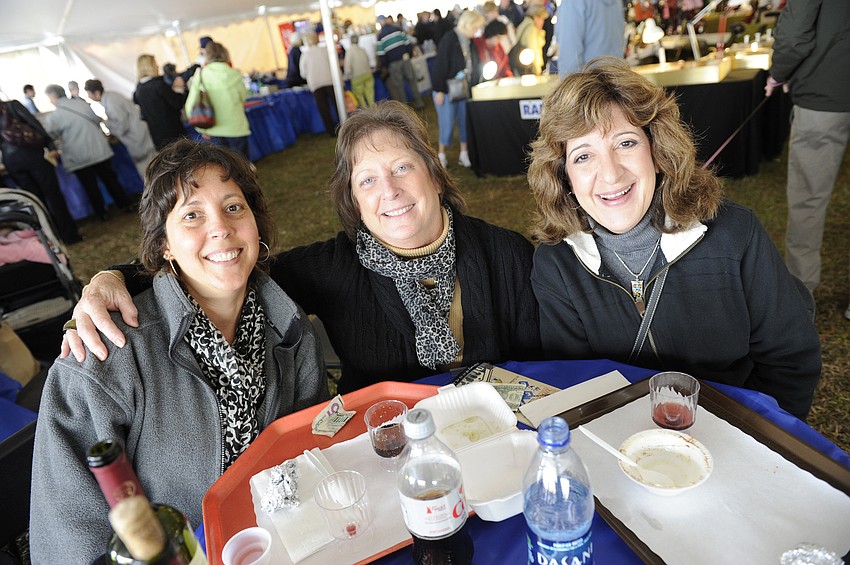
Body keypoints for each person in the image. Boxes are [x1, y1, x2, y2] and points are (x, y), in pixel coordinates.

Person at [61, 101, 541, 395]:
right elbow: (223, 265)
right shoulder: (333, 267)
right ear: (353, 199)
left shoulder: (506, 254)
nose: (389, 191)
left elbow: (541, 368)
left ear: (434, 175)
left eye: (402, 168)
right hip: (392, 452)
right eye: (367, 180)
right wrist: (111, 277)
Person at [30, 140, 327, 564]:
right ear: (164, 245)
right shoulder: (105, 354)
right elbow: (68, 536)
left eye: (234, 207)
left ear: (256, 225)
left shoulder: (288, 325)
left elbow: (312, 446)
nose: (221, 228)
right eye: (192, 215)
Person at [527, 58, 821, 420]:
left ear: (657, 152)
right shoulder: (556, 265)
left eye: (625, 143)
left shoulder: (735, 235)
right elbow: (578, 385)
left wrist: (753, 434)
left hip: (735, 428)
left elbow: (789, 362)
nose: (610, 173)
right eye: (583, 156)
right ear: (564, 177)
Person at [765, 0, 850, 319]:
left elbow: (794, 34)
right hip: (825, 91)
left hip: (823, 95)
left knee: (808, 200)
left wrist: (778, 73)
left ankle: (801, 300)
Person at [44, 83, 132, 221]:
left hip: (78, 157)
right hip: (99, 150)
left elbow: (50, 134)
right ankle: (125, 204)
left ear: (53, 97)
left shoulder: (54, 116)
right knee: (110, 180)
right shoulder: (83, 104)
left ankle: (102, 213)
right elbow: (97, 120)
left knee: (91, 187)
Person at [0, 99, 82, 243]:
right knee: (54, 196)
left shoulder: (11, 106)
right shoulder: (12, 105)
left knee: (35, 202)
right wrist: (50, 145)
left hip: (12, 163)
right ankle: (70, 236)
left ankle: (49, 238)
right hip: (33, 156)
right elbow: (34, 124)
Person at [432, 9, 486, 169]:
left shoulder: (470, 41)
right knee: (446, 124)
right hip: (447, 90)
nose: (477, 31)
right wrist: (440, 90)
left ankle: (464, 153)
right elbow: (441, 65)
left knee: (464, 122)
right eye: (476, 27)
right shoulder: (449, 39)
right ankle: (441, 154)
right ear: (468, 25)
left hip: (464, 89)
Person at [185, 41, 251, 158]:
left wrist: (201, 128)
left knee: (221, 165)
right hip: (236, 127)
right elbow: (243, 97)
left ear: (207, 56)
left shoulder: (201, 75)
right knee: (241, 163)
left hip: (212, 128)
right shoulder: (235, 74)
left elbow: (190, 105)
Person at [84, 79, 156, 179]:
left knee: (150, 173)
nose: (89, 97)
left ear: (96, 93)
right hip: (140, 137)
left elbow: (122, 126)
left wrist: (106, 123)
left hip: (138, 140)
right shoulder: (111, 97)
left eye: (89, 94)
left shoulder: (111, 102)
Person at [555, 0, 626, 76]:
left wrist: (569, 82)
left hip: (590, 79)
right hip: (615, 77)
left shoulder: (573, 2)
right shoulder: (617, 2)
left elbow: (569, 57)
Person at [133, 54, 188, 150]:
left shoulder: (139, 89)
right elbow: (178, 104)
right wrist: (179, 89)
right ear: (149, 66)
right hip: (174, 134)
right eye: (155, 63)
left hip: (158, 137)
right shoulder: (158, 85)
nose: (158, 66)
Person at [376, 16, 424, 111]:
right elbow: (408, 43)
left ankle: (406, 110)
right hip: (405, 59)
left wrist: (386, 65)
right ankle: (420, 103)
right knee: (412, 81)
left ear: (380, 23)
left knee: (399, 87)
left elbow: (381, 55)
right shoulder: (397, 29)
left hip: (393, 64)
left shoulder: (380, 37)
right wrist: (409, 55)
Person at [299, 32, 342, 136]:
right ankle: (344, 126)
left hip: (316, 84)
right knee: (338, 106)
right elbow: (334, 65)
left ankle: (331, 132)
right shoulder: (325, 50)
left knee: (324, 110)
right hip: (329, 81)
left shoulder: (305, 55)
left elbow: (303, 73)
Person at [472, 20, 515, 84]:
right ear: (492, 34)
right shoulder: (476, 44)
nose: (499, 40)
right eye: (498, 37)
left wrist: (509, 78)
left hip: (497, 83)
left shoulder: (499, 48)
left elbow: (505, 66)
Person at [510, 5, 548, 76]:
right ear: (535, 17)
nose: (542, 22)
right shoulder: (531, 29)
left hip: (521, 66)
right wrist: (537, 70)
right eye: (541, 19)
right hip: (529, 67)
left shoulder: (525, 23)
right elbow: (534, 49)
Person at [344, 34, 375, 109]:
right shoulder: (363, 50)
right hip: (368, 74)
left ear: (350, 41)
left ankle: (365, 112)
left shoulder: (349, 51)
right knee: (370, 96)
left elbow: (347, 66)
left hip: (357, 77)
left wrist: (346, 75)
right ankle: (374, 110)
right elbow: (368, 60)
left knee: (360, 98)